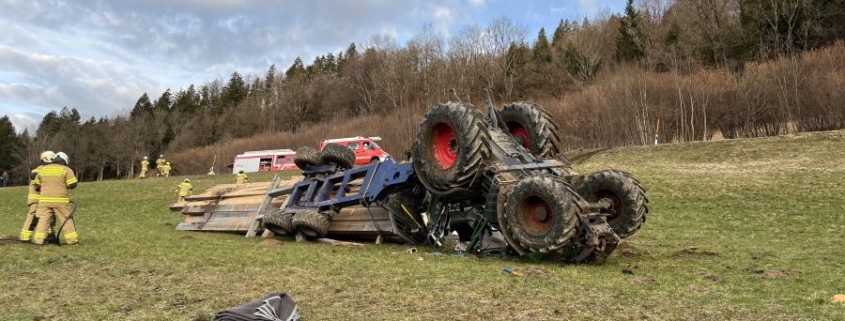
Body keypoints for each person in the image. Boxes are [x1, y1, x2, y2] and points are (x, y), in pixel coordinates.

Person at [31, 151, 78, 245]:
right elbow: (73, 184)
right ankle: (72, 240)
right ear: (64, 161)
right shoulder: (66, 169)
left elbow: (36, 185)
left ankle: (39, 241)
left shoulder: (43, 169)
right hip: (60, 201)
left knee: (43, 220)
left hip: (44, 201)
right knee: (66, 219)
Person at [19, 151, 55, 243]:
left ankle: (49, 235)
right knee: (33, 218)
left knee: (47, 216)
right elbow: (38, 185)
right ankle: (25, 237)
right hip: (37, 199)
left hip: (44, 199)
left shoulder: (45, 170)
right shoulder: (38, 170)